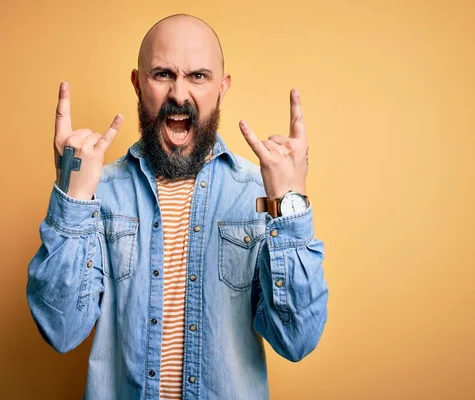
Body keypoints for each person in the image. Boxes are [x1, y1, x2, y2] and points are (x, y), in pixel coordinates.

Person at [26, 13, 328, 400]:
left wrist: (289, 207)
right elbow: (60, 329)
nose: (179, 95)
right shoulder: (97, 193)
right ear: (138, 84)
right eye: (162, 74)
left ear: (222, 87)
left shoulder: (259, 194)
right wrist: (72, 199)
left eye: (198, 76)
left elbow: (297, 340)